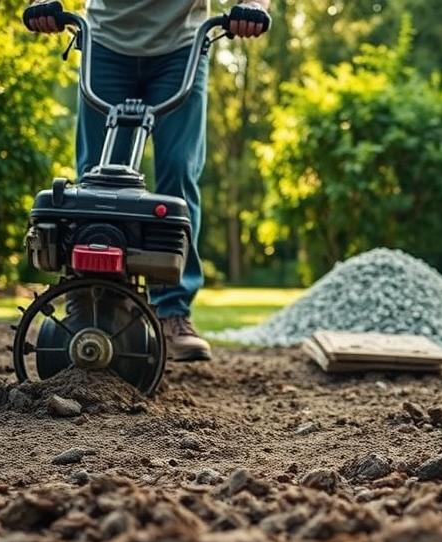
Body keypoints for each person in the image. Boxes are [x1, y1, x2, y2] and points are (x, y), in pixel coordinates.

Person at [26, 0, 271, 362]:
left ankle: (172, 312)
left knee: (179, 172)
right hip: (106, 43)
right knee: (96, 175)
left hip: (181, 47)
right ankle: (91, 298)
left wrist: (252, 5)